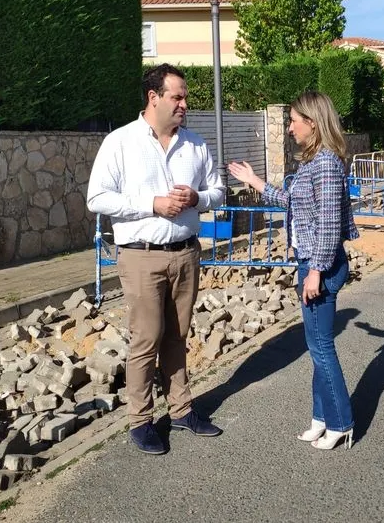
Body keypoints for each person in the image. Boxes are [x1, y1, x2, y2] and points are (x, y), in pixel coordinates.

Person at [86, 63, 226, 455]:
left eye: (185, 97)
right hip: (141, 257)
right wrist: (153, 204)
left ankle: (181, 411)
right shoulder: (120, 142)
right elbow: (97, 198)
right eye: (177, 97)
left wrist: (198, 198)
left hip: (185, 253)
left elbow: (218, 190)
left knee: (178, 336)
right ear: (154, 98)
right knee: (146, 339)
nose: (184, 104)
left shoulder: (196, 144)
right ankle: (141, 420)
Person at [228, 91, 359, 451]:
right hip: (311, 263)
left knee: (321, 348)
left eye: (294, 121)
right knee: (316, 346)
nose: (289, 128)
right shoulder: (314, 163)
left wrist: (315, 271)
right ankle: (321, 418)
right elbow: (294, 202)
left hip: (320, 265)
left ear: (312, 123)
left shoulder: (328, 164)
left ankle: (341, 422)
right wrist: (257, 183)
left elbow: (331, 225)